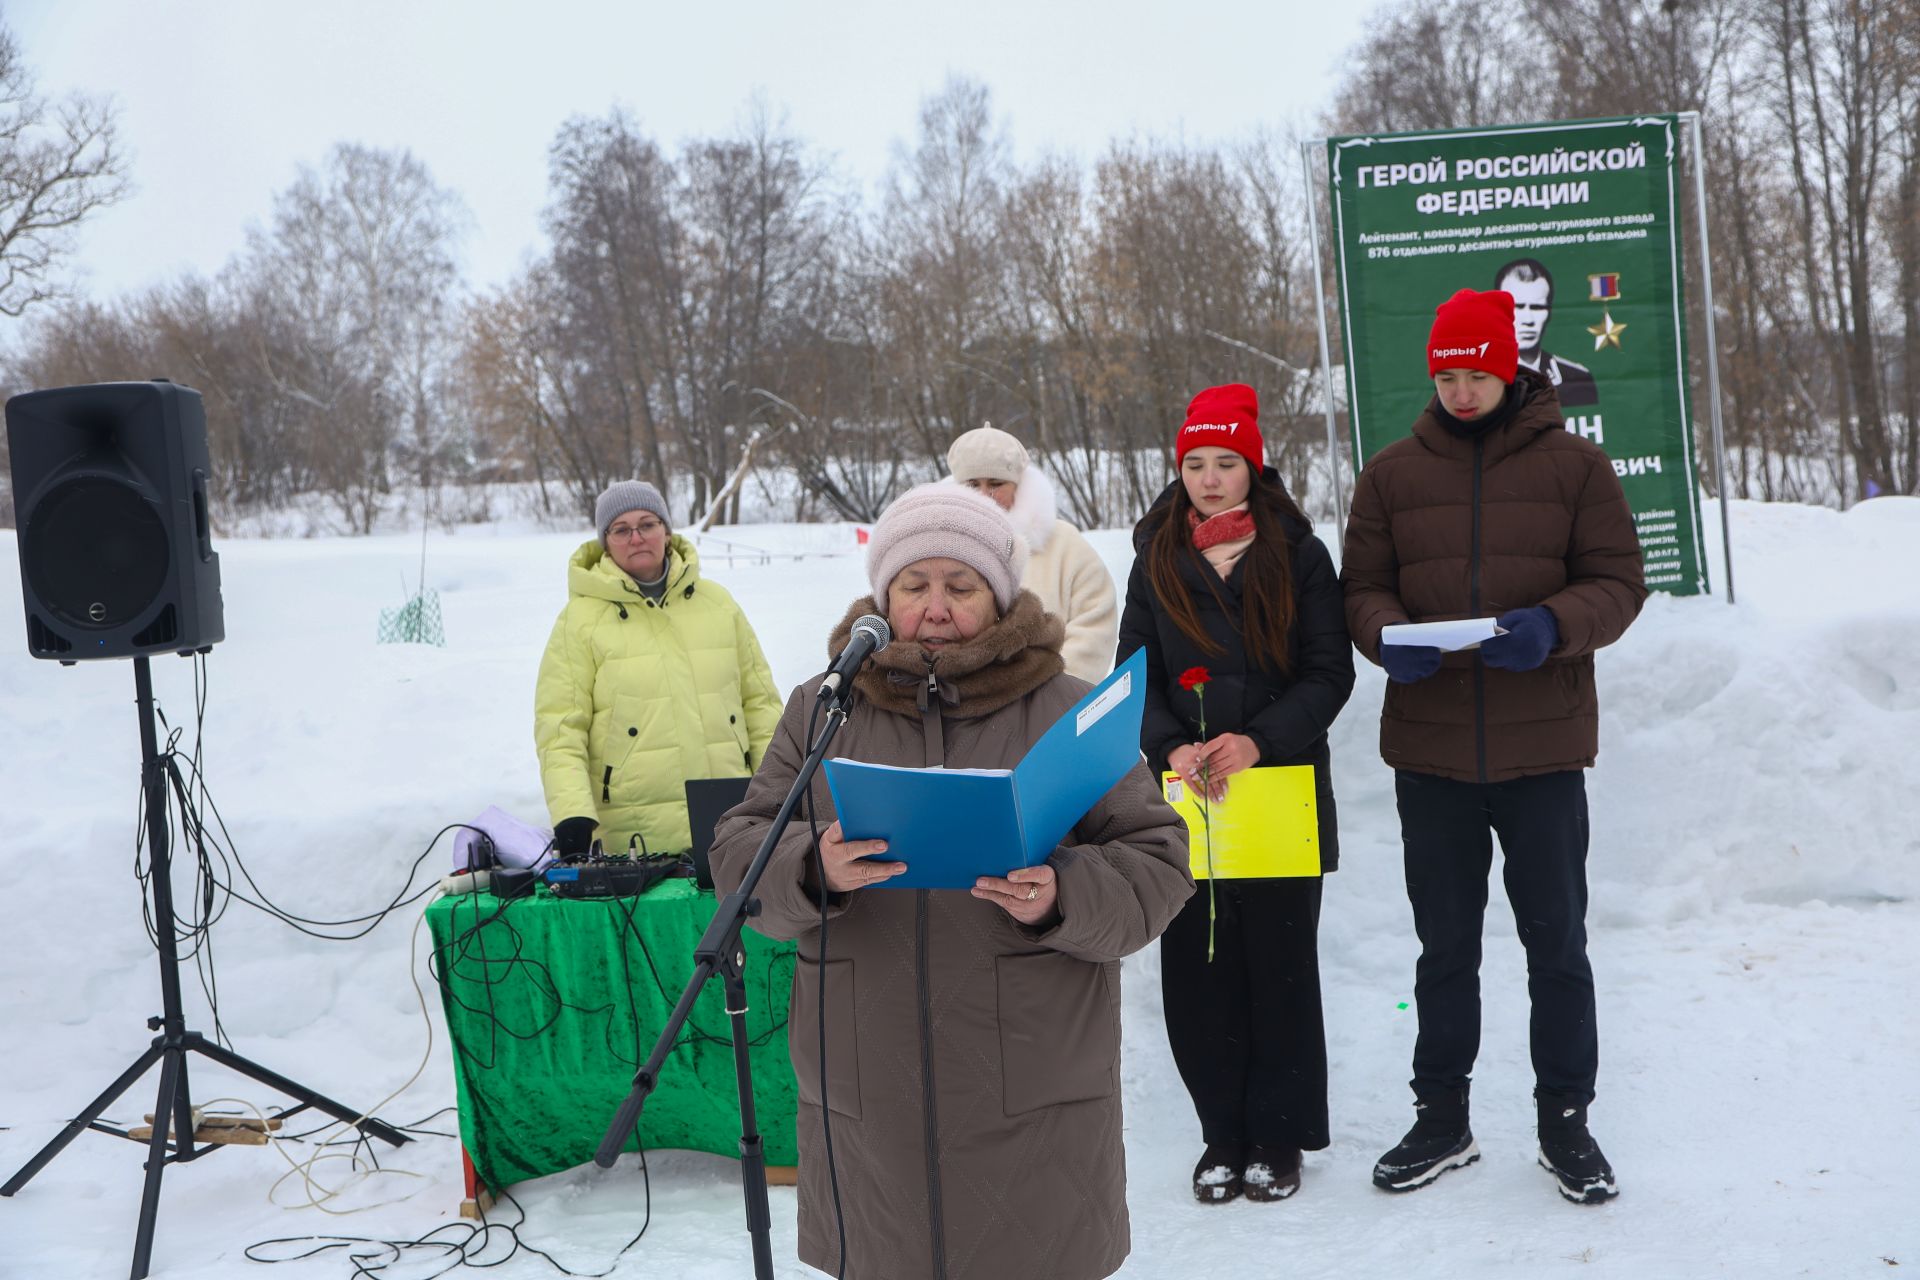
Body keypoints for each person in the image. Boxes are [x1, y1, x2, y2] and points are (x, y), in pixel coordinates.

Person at [708, 482, 1193, 1280]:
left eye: (960, 587)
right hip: (870, 1081)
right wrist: (811, 865)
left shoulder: (1066, 710)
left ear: (999, 598)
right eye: (913, 585)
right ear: (881, 594)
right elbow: (738, 849)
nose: (935, 608)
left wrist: (1063, 892)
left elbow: (1158, 861)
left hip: (1029, 1076)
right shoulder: (822, 709)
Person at [1341, 288, 1646, 1204]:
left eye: (1476, 373)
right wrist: (1387, 634)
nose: (1462, 390)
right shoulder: (1392, 474)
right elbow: (1364, 586)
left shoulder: (1576, 468)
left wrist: (1554, 626)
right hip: (1431, 754)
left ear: (1508, 371)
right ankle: (1443, 1118)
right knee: (1445, 947)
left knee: (1557, 945)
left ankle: (1566, 1123)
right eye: (1446, 374)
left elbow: (1619, 581)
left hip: (1542, 752)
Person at [1116, 382, 1355, 1206]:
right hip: (1188, 801)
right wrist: (1172, 744)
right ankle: (1221, 1132)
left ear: (1253, 467)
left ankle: (1278, 1136)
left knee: (1279, 967)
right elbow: (1132, 677)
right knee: (1198, 969)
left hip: (1278, 794)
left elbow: (1330, 675)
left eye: (1226, 463)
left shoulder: (1299, 553)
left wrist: (1260, 739)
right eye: (1195, 463)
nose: (1210, 478)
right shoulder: (1155, 560)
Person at [533, 479, 782, 860]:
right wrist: (572, 817)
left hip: (734, 824)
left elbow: (761, 708)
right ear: (605, 541)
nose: (636, 537)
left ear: (666, 531)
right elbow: (560, 728)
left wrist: (779, 795)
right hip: (633, 839)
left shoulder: (718, 604)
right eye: (621, 529)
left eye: (647, 524)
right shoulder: (578, 621)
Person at [945, 423, 1119, 684]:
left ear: (1018, 485)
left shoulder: (1064, 544)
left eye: (995, 483)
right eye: (972, 484)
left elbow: (1096, 622)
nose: (983, 495)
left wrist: (1055, 690)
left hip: (1050, 709)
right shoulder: (936, 552)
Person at [1494, 257, 1599, 408]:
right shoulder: (1481, 379)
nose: (1528, 319)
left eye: (1537, 308)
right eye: (1517, 307)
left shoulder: (1577, 378)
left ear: (1549, 313)